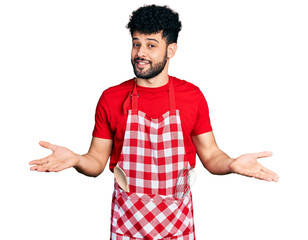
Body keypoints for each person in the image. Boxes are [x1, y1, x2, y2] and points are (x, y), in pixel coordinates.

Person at [29, 4, 279, 240]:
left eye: (151, 45)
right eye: (136, 44)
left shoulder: (192, 96)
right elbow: (95, 162)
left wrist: (232, 163)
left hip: (177, 226)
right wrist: (77, 160)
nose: (140, 53)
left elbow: (212, 156)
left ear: (171, 50)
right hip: (128, 226)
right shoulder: (111, 98)